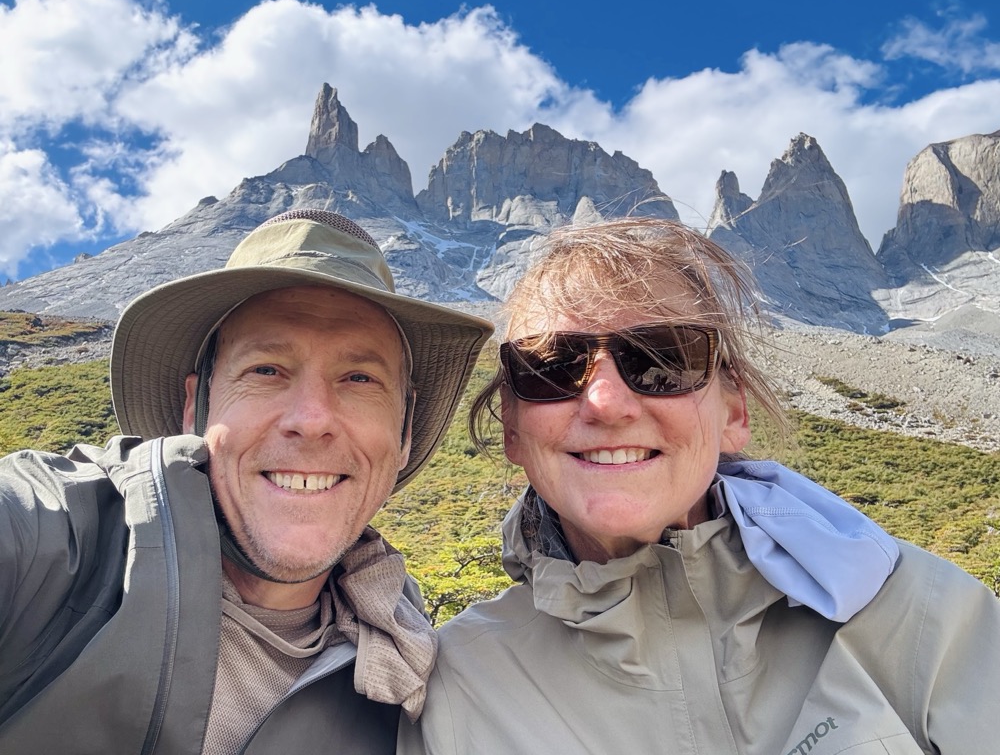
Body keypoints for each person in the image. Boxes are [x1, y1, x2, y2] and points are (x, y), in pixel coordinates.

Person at [399, 218, 1000, 754]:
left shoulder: (927, 620)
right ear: (512, 428)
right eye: (551, 367)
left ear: (733, 412)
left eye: (663, 359)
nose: (606, 402)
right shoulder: (458, 688)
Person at [0, 208, 493, 753]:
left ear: (402, 433)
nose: (311, 419)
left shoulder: (414, 661)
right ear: (196, 409)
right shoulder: (55, 542)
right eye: (266, 370)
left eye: (360, 378)